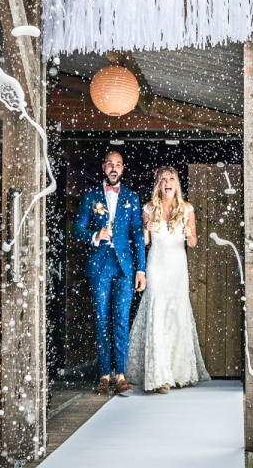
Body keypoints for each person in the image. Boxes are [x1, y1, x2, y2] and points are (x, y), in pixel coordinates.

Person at [126, 166, 210, 392]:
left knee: (176, 314)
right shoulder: (148, 208)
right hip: (156, 266)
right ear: (158, 185)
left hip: (177, 268)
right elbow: (143, 242)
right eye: (163, 179)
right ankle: (159, 375)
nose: (167, 182)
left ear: (176, 184)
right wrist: (146, 227)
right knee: (157, 312)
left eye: (171, 178)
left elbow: (193, 243)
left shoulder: (187, 209)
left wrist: (188, 233)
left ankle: (177, 372)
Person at [72, 151, 147, 395]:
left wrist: (141, 269)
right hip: (99, 267)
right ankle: (104, 375)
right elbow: (76, 230)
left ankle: (120, 375)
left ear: (123, 169)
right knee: (102, 321)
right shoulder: (90, 196)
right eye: (110, 164)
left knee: (121, 321)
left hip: (124, 268)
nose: (114, 168)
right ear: (103, 167)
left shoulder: (132, 197)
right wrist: (94, 235)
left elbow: (137, 235)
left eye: (118, 165)